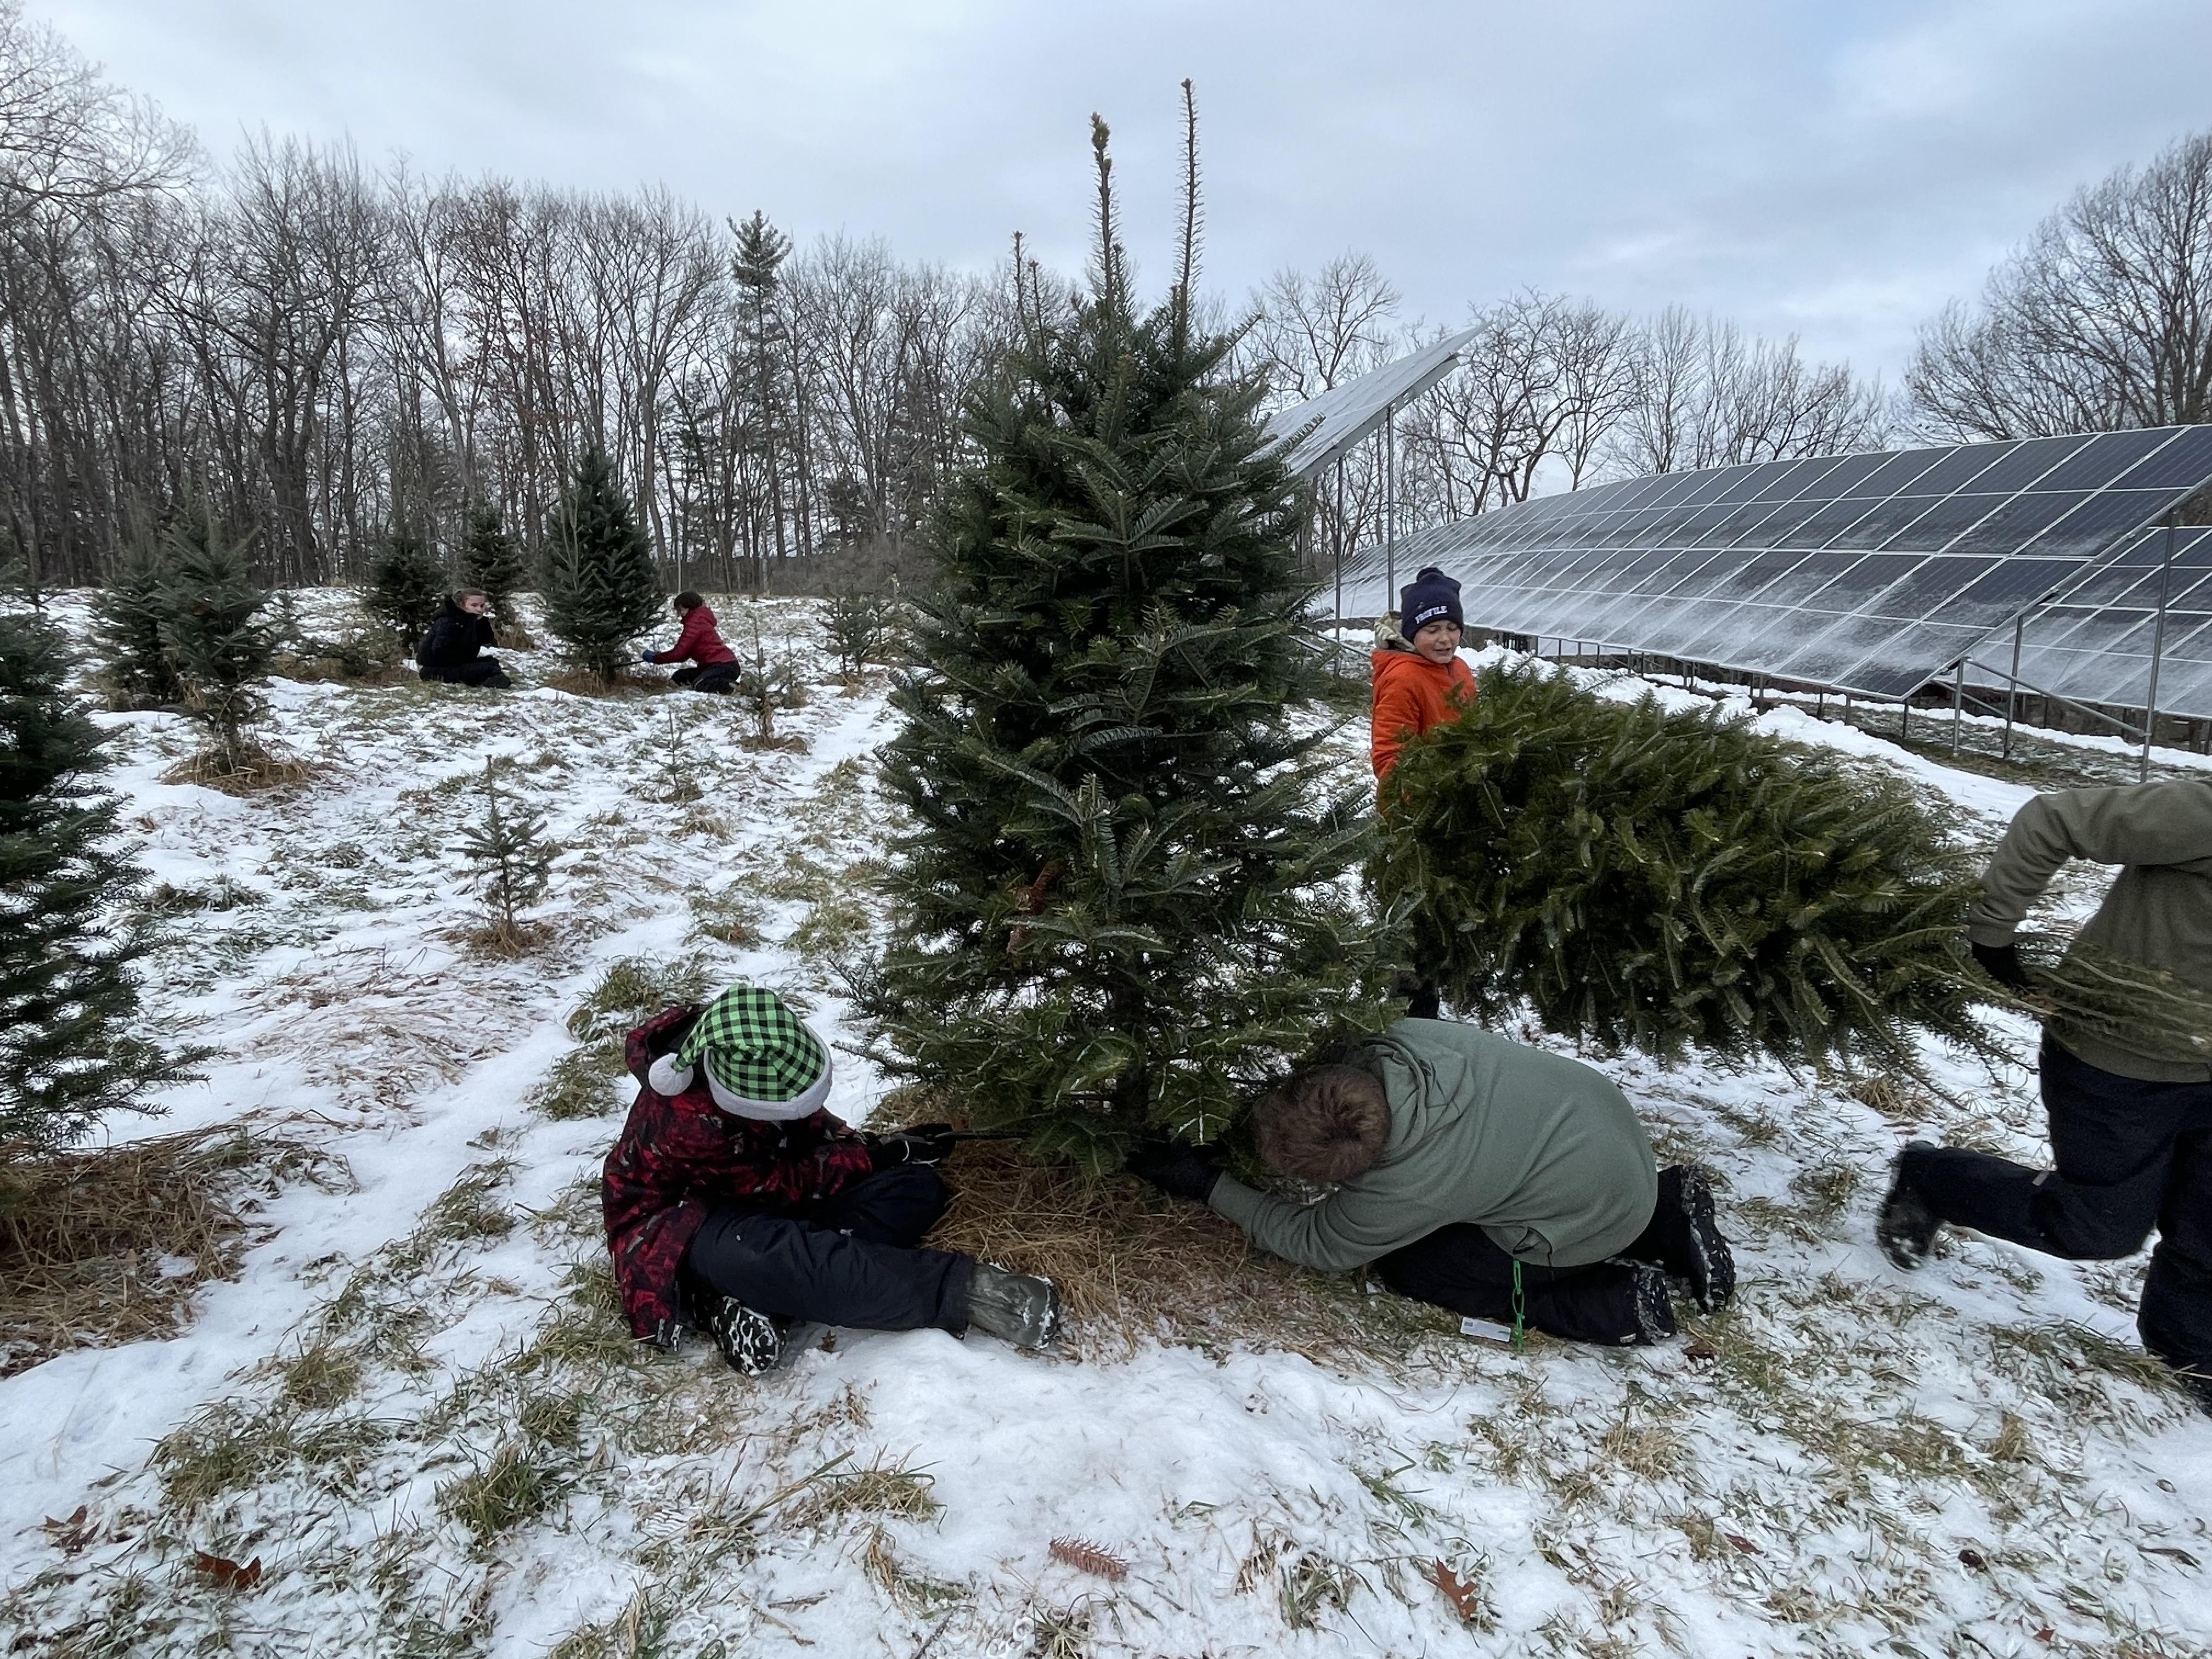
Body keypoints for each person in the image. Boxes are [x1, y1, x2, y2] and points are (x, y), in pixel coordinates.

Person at [1876, 778, 2212, 1414]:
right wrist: (1993, 933)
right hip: (2120, 1063)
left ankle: (2188, 1366)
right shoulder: (2200, 815)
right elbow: (2054, 818)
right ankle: (1932, 1179)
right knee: (2096, 1229)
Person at [1127, 1015, 1735, 1346]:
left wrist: (1206, 1185)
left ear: (1364, 1170)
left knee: (1417, 1269)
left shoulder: (1413, 1184)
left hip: (1586, 1219)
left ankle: (1613, 1301)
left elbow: (1319, 1246)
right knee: (1538, 1174)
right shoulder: (1407, 1038)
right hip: (1610, 1141)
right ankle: (1667, 1209)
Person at [601, 983, 1059, 1374]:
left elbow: (803, 1124)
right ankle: (964, 1293)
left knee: (915, 1188)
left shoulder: (745, 1045)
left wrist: (880, 1147)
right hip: (684, 1225)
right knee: (779, 1257)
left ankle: (757, 1297)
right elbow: (783, 1185)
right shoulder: (688, 1123)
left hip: (755, 1199)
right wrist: (872, 1157)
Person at [1370, 565, 1475, 786]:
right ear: (1412, 634)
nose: (1445, 639)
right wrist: (1419, 803)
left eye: (1452, 628)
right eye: (1433, 630)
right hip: (1423, 803)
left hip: (1461, 791)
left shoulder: (1460, 669)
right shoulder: (1403, 679)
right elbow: (1390, 756)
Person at [640, 590, 741, 693]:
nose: (679, 614)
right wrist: (659, 657)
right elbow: (683, 655)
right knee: (680, 678)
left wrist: (655, 658)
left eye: (681, 609)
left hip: (724, 665)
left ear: (689, 607)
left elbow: (679, 654)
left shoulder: (695, 623)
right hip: (713, 665)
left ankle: (736, 689)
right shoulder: (697, 621)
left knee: (701, 683)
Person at [417, 589, 512, 689]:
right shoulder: (448, 622)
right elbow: (440, 653)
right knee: (487, 669)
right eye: (474, 606)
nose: (480, 609)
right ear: (461, 605)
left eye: (482, 606)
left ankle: (487, 680)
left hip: (457, 665)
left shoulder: (471, 621)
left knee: (491, 663)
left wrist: (481, 622)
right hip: (433, 670)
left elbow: (487, 639)